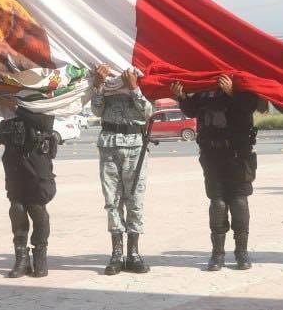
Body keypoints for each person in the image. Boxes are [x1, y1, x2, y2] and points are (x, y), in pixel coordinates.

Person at [172, 74, 264, 270]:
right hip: (211, 153)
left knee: (239, 200)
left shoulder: (242, 84)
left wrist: (232, 92)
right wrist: (182, 97)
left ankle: (241, 252)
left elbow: (250, 106)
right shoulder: (204, 85)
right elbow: (192, 110)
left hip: (238, 154)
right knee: (217, 202)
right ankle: (218, 254)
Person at [91, 64, 154, 275]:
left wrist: (134, 87)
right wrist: (98, 85)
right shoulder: (107, 80)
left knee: (135, 200)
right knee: (113, 201)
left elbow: (147, 112)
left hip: (135, 145)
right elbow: (96, 110)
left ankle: (133, 253)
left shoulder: (139, 77)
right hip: (109, 144)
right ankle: (117, 254)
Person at [0, 103, 58, 278]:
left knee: (37, 206)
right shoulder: (7, 90)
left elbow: (45, 122)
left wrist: (16, 106)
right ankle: (21, 259)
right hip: (13, 153)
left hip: (37, 154)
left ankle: (40, 257)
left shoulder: (40, 91)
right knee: (17, 207)